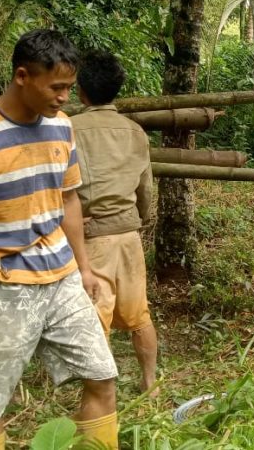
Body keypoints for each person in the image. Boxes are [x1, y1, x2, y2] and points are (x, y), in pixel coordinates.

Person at [0, 29, 118, 449]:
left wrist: (84, 268)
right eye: (56, 87)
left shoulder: (62, 127)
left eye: (69, 87)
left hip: (62, 277)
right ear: (22, 76)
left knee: (102, 375)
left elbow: (68, 199)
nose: (65, 97)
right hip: (2, 284)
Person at [70, 50, 158, 397]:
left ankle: (100, 396)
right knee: (139, 315)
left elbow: (59, 188)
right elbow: (146, 188)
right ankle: (150, 383)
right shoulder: (136, 132)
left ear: (81, 91)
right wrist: (139, 218)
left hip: (93, 235)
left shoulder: (69, 129)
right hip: (128, 233)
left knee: (95, 317)